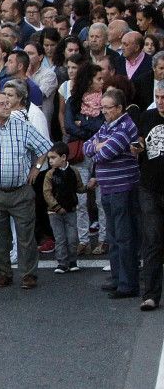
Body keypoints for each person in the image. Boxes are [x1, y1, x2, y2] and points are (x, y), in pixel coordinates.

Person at [0, 92, 52, 289]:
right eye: (2, 104)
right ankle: (2, 274)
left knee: (26, 237)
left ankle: (28, 275)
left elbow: (44, 147)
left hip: (21, 190)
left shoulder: (23, 127)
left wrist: (36, 169)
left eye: (8, 103)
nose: (7, 106)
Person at [83, 88, 141, 299]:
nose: (103, 112)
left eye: (107, 108)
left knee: (125, 237)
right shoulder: (108, 126)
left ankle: (128, 283)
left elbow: (105, 153)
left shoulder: (125, 127)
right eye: (102, 107)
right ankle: (117, 278)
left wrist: (98, 147)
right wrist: (98, 146)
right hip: (108, 188)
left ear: (119, 108)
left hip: (122, 189)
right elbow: (87, 148)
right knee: (114, 236)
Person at [137, 82, 164, 311]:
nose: (161, 101)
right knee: (152, 241)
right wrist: (136, 147)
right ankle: (151, 295)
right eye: (158, 96)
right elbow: (139, 142)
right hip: (149, 187)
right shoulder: (147, 117)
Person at [42, 143, 82, 274]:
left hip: (70, 209)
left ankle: (72, 261)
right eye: (49, 158)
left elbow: (78, 187)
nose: (50, 161)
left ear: (63, 157)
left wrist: (88, 187)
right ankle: (62, 262)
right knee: (60, 238)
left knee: (72, 237)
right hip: (54, 212)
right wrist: (56, 207)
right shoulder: (49, 174)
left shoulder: (74, 171)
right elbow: (47, 193)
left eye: (53, 157)